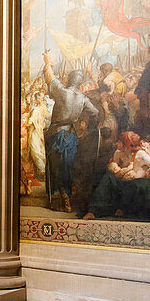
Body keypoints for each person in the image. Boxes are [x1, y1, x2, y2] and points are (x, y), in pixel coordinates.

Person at [42, 50, 99, 213]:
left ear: (68, 80)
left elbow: (50, 78)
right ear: (80, 83)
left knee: (58, 168)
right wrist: (83, 123)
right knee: (67, 167)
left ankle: (65, 201)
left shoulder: (63, 91)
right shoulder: (83, 98)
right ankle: (66, 200)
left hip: (57, 134)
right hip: (71, 136)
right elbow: (95, 112)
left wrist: (47, 61)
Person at [83, 132, 150, 220]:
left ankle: (125, 210)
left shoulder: (141, 155)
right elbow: (114, 171)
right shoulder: (118, 153)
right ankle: (93, 211)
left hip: (138, 188)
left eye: (119, 142)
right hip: (124, 186)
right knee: (108, 177)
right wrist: (121, 174)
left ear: (126, 145)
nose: (116, 144)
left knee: (142, 184)